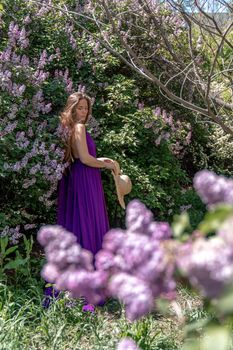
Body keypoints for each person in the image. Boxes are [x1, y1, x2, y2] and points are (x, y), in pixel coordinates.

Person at [43, 92, 116, 310]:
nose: (83, 112)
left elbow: (80, 157)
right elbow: (85, 159)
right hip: (85, 180)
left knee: (77, 226)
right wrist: (107, 165)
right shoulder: (79, 128)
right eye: (80, 108)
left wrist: (100, 160)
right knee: (88, 225)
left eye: (86, 108)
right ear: (72, 109)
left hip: (76, 178)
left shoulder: (69, 129)